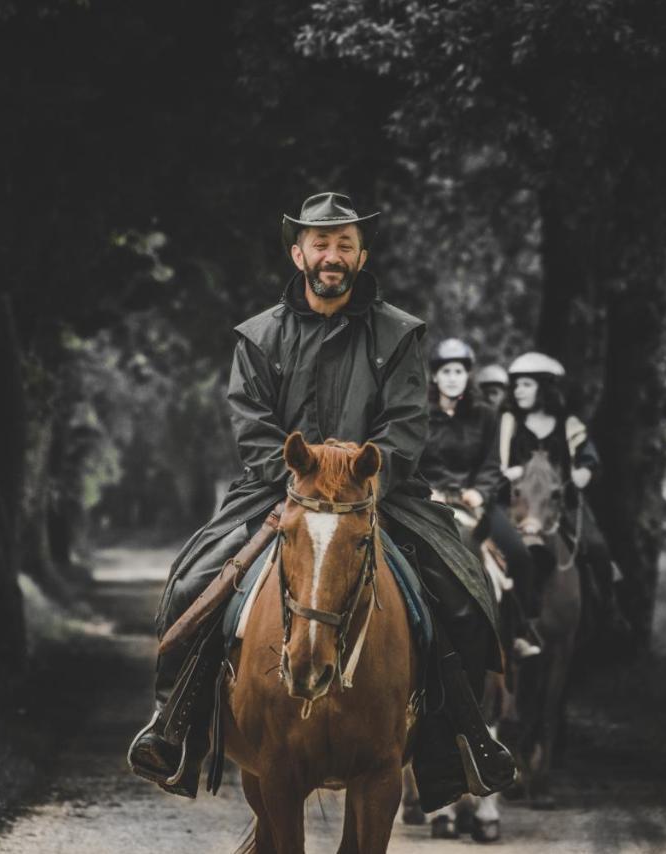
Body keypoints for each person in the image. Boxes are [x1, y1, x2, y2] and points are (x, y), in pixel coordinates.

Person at [127, 192, 516, 801]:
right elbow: (252, 426)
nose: (331, 255)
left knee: (462, 596)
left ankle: (458, 744)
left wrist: (364, 479)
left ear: (361, 256)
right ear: (297, 252)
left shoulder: (401, 333)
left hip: (378, 495)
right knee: (190, 583)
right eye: (320, 243)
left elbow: (408, 423)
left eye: (344, 244)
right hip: (275, 494)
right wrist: (296, 485)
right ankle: (174, 730)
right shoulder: (258, 337)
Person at [418, 338, 541, 659]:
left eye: (459, 371)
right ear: (434, 377)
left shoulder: (486, 416)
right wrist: (427, 490)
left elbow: (491, 465)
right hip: (428, 502)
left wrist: (480, 491)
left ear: (467, 375)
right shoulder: (417, 415)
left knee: (519, 555)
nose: (452, 377)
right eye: (446, 371)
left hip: (474, 502)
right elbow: (408, 462)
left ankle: (517, 631)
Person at [498, 352, 625, 636]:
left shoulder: (569, 425)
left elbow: (588, 456)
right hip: (517, 504)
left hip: (562, 504)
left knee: (597, 547)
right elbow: (495, 461)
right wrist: (506, 473)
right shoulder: (508, 423)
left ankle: (608, 613)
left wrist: (585, 471)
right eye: (516, 385)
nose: (518, 390)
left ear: (544, 387)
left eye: (526, 384)